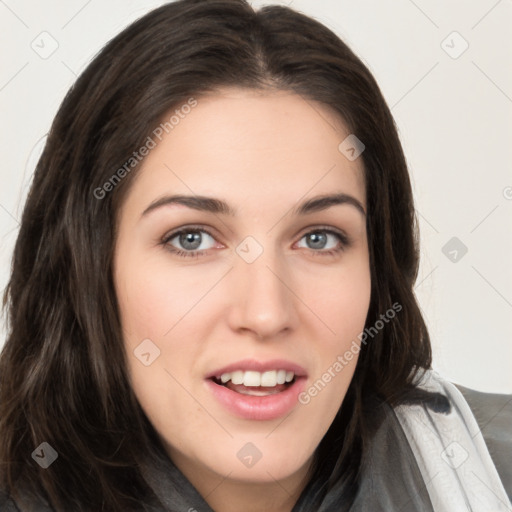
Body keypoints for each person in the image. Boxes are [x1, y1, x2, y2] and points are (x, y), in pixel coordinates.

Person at [0, 1, 510, 511]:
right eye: (192, 238)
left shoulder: (491, 471)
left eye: (318, 238)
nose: (266, 313)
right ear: (87, 265)